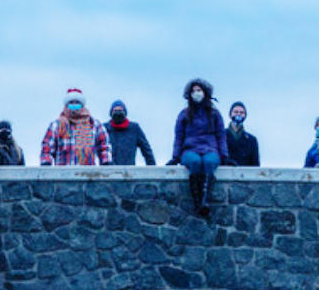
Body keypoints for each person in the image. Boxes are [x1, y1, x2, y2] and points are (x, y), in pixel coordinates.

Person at [168, 78, 228, 217]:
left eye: (199, 90)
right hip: (190, 149)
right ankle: (197, 201)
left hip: (210, 149)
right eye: (194, 91)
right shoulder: (184, 114)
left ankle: (204, 200)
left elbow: (221, 135)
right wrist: (175, 157)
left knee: (209, 163)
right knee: (194, 162)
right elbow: (179, 137)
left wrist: (224, 155)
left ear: (205, 92)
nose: (196, 93)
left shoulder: (214, 114)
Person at [40, 88, 112, 166]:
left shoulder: (94, 125)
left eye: (77, 102)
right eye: (71, 102)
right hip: (63, 175)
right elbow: (47, 148)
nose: (74, 105)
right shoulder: (56, 125)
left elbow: (104, 146)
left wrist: (106, 162)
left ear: (82, 105)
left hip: (87, 175)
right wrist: (46, 163)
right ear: (66, 105)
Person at [104, 100, 156, 166]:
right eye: (115, 110)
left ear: (125, 112)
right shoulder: (104, 129)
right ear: (111, 113)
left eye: (120, 110)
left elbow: (146, 150)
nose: (118, 112)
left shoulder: (134, 128)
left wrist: (152, 169)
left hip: (129, 172)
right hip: (108, 172)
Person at [226, 101, 259, 167]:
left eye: (241, 112)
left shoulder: (251, 140)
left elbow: (255, 164)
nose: (239, 114)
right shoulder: (221, 136)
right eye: (236, 112)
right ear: (230, 114)